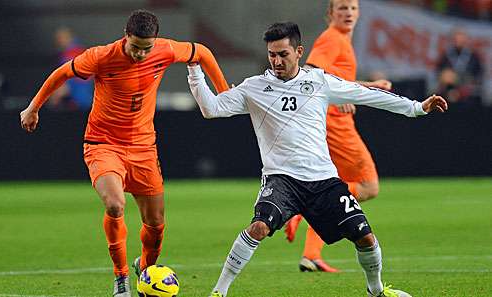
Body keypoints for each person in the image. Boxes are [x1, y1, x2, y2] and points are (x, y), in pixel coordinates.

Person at [187, 22, 447, 297]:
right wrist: (194, 70)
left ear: (299, 51)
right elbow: (211, 108)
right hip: (281, 179)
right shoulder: (254, 88)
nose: (276, 61)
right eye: (272, 55)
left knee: (365, 237)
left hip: (323, 180)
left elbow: (369, 96)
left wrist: (417, 108)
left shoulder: (319, 81)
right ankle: (219, 292)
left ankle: (376, 291)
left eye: (283, 54)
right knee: (259, 227)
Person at [20, 9, 229, 296]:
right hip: (103, 144)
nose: (141, 54)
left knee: (156, 225)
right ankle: (121, 278)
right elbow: (62, 73)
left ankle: (145, 269)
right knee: (115, 205)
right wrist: (34, 107)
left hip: (144, 147)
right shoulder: (101, 56)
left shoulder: (165, 49)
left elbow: (202, 52)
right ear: (125, 35)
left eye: (146, 49)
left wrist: (223, 92)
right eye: (136, 47)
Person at [284, 0, 394, 273]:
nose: (348, 13)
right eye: (342, 8)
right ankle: (302, 208)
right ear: (330, 13)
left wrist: (369, 86)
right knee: (368, 186)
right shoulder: (332, 38)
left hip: (331, 122)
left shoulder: (342, 39)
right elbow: (310, 72)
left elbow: (334, 79)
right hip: (335, 124)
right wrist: (336, 99)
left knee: (334, 187)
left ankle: (311, 255)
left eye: (353, 8)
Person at [47, 27, 94, 111]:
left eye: (60, 38)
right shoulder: (79, 51)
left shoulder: (71, 55)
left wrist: (53, 99)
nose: (58, 42)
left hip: (79, 103)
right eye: (57, 39)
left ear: (68, 37)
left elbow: (67, 85)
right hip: (86, 102)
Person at [435, 28, 483, 105]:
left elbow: (479, 75)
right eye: (456, 38)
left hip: (468, 95)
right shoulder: (446, 56)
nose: (459, 41)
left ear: (466, 40)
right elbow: (438, 72)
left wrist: (459, 79)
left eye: (461, 38)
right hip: (448, 93)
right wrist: (444, 76)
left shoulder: (473, 57)